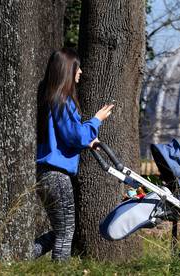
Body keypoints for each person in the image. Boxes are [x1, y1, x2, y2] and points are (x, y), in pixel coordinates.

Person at [34, 48, 114, 261]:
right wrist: (96, 121)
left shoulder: (47, 98)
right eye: (77, 67)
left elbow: (66, 134)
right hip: (57, 175)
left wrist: (87, 136)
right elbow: (75, 136)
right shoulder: (62, 100)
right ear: (68, 69)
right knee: (65, 232)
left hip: (44, 174)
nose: (81, 72)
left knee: (62, 230)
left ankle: (17, 257)